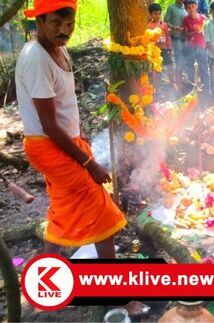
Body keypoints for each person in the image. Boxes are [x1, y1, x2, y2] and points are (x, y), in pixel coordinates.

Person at [16, 0, 126, 257]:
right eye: (56, 23)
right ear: (39, 21)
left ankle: (44, 281)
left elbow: (64, 101)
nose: (64, 30)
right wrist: (90, 163)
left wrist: (80, 134)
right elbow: (50, 126)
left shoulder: (59, 49)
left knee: (62, 211)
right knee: (103, 213)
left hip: (62, 140)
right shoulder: (36, 59)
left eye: (70, 23)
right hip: (49, 145)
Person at [182, 0, 211, 100]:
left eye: (193, 7)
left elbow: (207, 32)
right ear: (186, 8)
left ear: (196, 6)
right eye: (188, 8)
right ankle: (191, 89)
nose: (191, 9)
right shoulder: (185, 19)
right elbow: (186, 34)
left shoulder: (203, 18)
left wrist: (203, 33)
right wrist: (195, 32)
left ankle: (206, 90)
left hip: (202, 46)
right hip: (191, 47)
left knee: (204, 68)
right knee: (190, 68)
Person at [148, 3, 173, 91]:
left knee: (169, 66)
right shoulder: (149, 26)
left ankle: (172, 84)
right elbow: (149, 39)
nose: (157, 16)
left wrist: (169, 47)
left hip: (165, 49)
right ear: (150, 14)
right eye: (155, 14)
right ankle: (157, 88)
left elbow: (167, 36)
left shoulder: (164, 25)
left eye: (159, 13)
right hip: (155, 50)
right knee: (156, 69)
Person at [165, 0, 188, 91]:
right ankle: (177, 83)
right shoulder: (171, 7)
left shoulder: (185, 9)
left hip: (185, 37)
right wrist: (174, 27)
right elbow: (165, 22)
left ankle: (180, 81)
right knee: (179, 58)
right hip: (176, 37)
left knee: (183, 59)